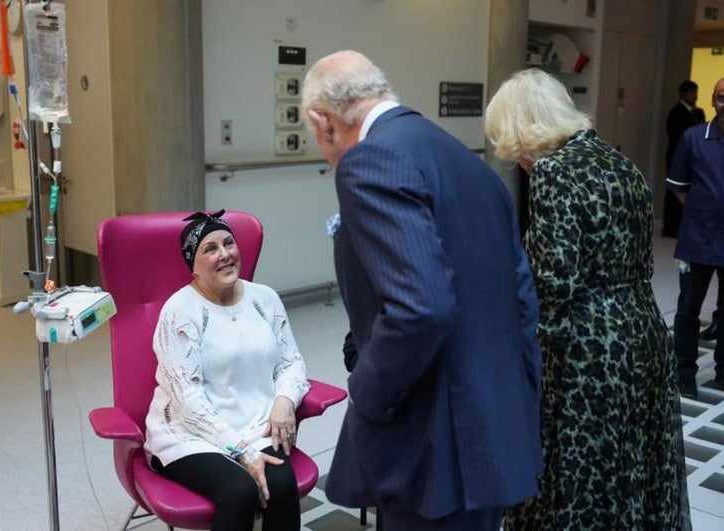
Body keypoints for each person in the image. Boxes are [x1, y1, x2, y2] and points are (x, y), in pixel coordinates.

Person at [303, 50, 543, 530]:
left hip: (431, 440)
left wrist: (367, 393)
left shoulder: (368, 162)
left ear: (322, 123)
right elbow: (521, 296)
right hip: (495, 424)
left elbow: (422, 308)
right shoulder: (470, 163)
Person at [485, 68, 690, 530]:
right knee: (629, 471)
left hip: (588, 352)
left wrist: (525, 366)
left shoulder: (554, 172)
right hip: (642, 335)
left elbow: (554, 286)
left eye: (514, 149)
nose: (518, 162)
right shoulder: (620, 162)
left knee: (577, 480)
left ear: (527, 131)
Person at [143, 210, 311, 531]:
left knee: (282, 486)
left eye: (229, 243)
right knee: (238, 491)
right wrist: (242, 452)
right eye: (211, 249)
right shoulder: (180, 312)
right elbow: (189, 404)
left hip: (254, 426)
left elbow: (292, 363)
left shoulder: (264, 298)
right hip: (189, 433)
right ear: (192, 266)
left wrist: (284, 401)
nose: (225, 254)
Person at [667, 77, 724, 397]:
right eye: (721, 98)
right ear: (713, 101)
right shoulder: (693, 138)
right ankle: (684, 372)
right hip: (697, 239)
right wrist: (705, 213)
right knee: (688, 309)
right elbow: (678, 186)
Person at [663, 80, 706, 238]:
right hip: (677, 156)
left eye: (696, 93)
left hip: (694, 158)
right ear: (683, 94)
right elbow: (676, 136)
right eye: (691, 93)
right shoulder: (676, 112)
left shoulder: (698, 112)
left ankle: (684, 226)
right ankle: (670, 227)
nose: (695, 96)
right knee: (674, 190)